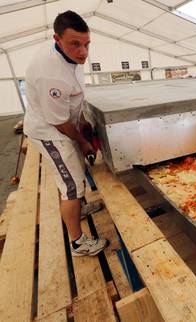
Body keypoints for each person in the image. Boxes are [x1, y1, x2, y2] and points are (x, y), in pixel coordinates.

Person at [23, 11, 109, 256]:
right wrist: (82, 142)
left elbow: (74, 98)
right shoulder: (50, 74)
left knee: (76, 174)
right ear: (57, 39)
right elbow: (59, 122)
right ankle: (78, 242)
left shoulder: (70, 56)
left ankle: (77, 209)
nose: (83, 51)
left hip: (61, 123)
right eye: (75, 44)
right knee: (71, 185)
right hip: (50, 131)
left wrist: (81, 119)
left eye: (86, 44)